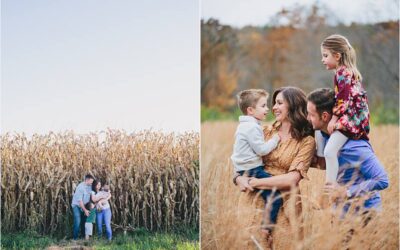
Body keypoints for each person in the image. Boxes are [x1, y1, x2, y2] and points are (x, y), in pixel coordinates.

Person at [234, 87, 315, 249]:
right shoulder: (264, 131)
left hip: (285, 201)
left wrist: (253, 182)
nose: (274, 108)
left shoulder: (306, 141)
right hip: (254, 199)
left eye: (279, 103)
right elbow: (242, 158)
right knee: (251, 244)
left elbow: (292, 179)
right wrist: (237, 178)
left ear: (293, 106)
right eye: (273, 103)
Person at [306, 88, 389, 214]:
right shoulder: (324, 136)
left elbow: (382, 180)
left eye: (311, 115)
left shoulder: (354, 147)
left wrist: (346, 192)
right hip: (340, 214)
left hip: (365, 214)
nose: (307, 118)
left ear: (324, 116)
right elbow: (325, 164)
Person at [318, 34, 370, 184]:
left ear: (337, 56)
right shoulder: (346, 72)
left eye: (325, 55)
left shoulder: (342, 73)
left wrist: (334, 120)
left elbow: (343, 100)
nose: (323, 59)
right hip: (355, 118)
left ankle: (330, 185)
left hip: (351, 120)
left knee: (329, 151)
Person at [231, 89, 282, 233]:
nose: (268, 109)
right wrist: (275, 140)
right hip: (253, 169)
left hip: (245, 169)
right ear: (250, 110)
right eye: (263, 105)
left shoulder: (245, 126)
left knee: (267, 195)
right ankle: (266, 228)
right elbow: (261, 150)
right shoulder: (252, 127)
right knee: (275, 196)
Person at [71, 174, 94, 240]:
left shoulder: (89, 186)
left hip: (84, 205)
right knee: (78, 221)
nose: (92, 183)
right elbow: (80, 201)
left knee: (84, 221)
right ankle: (75, 239)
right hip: (77, 206)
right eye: (91, 181)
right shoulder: (80, 187)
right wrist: (85, 210)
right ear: (87, 180)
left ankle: (83, 237)